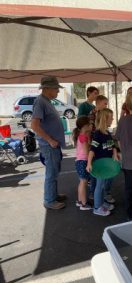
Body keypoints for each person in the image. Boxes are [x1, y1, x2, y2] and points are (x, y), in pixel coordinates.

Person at [31, 76, 66, 210]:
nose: (57, 91)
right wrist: (50, 140)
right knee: (51, 173)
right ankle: (49, 200)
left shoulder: (46, 101)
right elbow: (34, 125)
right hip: (49, 145)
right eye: (56, 89)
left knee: (54, 171)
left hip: (53, 144)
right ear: (47, 89)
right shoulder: (40, 102)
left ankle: (53, 195)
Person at [86, 108, 118, 217]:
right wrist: (89, 163)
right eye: (111, 117)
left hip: (107, 165)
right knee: (99, 186)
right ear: (105, 119)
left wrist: (114, 154)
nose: (112, 119)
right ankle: (97, 207)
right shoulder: (98, 134)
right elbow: (92, 150)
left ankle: (101, 202)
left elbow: (113, 146)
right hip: (100, 166)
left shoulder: (107, 133)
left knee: (103, 185)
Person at [73, 116, 93, 210]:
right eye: (89, 124)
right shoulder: (83, 137)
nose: (91, 125)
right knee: (83, 182)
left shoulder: (81, 135)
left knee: (82, 182)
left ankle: (80, 201)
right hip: (83, 161)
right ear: (85, 126)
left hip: (79, 161)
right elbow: (86, 152)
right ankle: (84, 204)